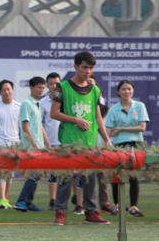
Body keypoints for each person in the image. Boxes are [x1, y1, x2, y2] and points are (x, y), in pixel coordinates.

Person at [50, 51, 112, 225]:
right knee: (65, 177)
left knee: (90, 179)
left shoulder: (95, 90)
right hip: (69, 141)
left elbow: (98, 117)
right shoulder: (62, 87)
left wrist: (106, 139)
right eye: (85, 67)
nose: (88, 71)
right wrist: (75, 120)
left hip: (90, 143)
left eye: (91, 68)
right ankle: (60, 212)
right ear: (75, 66)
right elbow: (54, 113)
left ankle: (91, 212)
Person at [105, 79, 149, 217]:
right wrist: (107, 142)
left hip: (136, 145)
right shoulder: (113, 109)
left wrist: (121, 128)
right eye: (123, 89)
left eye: (129, 89)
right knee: (117, 176)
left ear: (133, 90)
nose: (127, 91)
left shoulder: (139, 106)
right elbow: (108, 130)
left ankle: (133, 207)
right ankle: (117, 205)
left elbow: (142, 128)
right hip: (119, 145)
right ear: (118, 92)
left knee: (134, 177)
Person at [13, 76, 50, 212]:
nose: (41, 90)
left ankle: (28, 202)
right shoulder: (26, 104)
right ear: (31, 88)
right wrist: (33, 144)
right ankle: (21, 201)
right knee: (34, 174)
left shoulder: (37, 103)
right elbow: (25, 126)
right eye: (39, 87)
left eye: (43, 87)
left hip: (38, 145)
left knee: (37, 174)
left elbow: (40, 125)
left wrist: (47, 143)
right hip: (30, 146)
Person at [0, 79, 21, 209]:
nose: (7, 92)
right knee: (0, 172)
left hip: (14, 144)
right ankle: (1, 199)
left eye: (8, 89)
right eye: (4, 90)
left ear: (12, 90)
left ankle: (5, 199)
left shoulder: (19, 107)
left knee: (10, 174)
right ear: (0, 93)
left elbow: (23, 127)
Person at [40, 72, 61, 210]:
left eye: (56, 83)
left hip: (66, 141)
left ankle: (75, 201)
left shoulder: (65, 99)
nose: (54, 86)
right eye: (51, 83)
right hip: (51, 142)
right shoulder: (43, 102)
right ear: (47, 86)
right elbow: (40, 123)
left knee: (69, 174)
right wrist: (46, 142)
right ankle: (53, 201)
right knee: (53, 173)